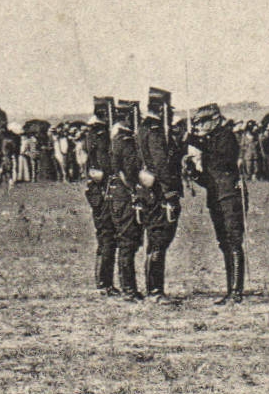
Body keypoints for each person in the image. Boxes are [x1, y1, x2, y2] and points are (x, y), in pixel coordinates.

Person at [185, 103, 247, 305]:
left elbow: (222, 161)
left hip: (230, 196)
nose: (199, 126)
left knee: (233, 240)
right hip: (216, 197)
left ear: (215, 119)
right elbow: (209, 178)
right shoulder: (212, 139)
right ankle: (232, 290)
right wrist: (194, 172)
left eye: (202, 122)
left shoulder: (226, 137)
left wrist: (197, 142)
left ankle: (235, 292)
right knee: (224, 242)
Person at [137, 88, 183, 302]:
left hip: (148, 192)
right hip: (159, 194)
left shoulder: (142, 128)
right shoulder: (155, 131)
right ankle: (155, 291)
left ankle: (153, 289)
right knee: (159, 240)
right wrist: (170, 193)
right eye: (169, 110)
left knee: (154, 240)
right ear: (162, 109)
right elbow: (161, 165)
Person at [105, 99, 145, 300]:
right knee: (128, 242)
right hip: (125, 195)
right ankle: (129, 289)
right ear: (129, 117)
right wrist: (135, 190)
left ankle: (127, 287)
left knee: (126, 242)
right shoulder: (126, 141)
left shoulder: (116, 138)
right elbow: (128, 171)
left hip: (118, 195)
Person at [83, 98, 118, 295]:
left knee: (105, 236)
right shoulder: (100, 135)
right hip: (102, 191)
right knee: (107, 236)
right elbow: (105, 163)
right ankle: (104, 283)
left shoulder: (93, 133)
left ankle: (103, 281)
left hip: (98, 190)